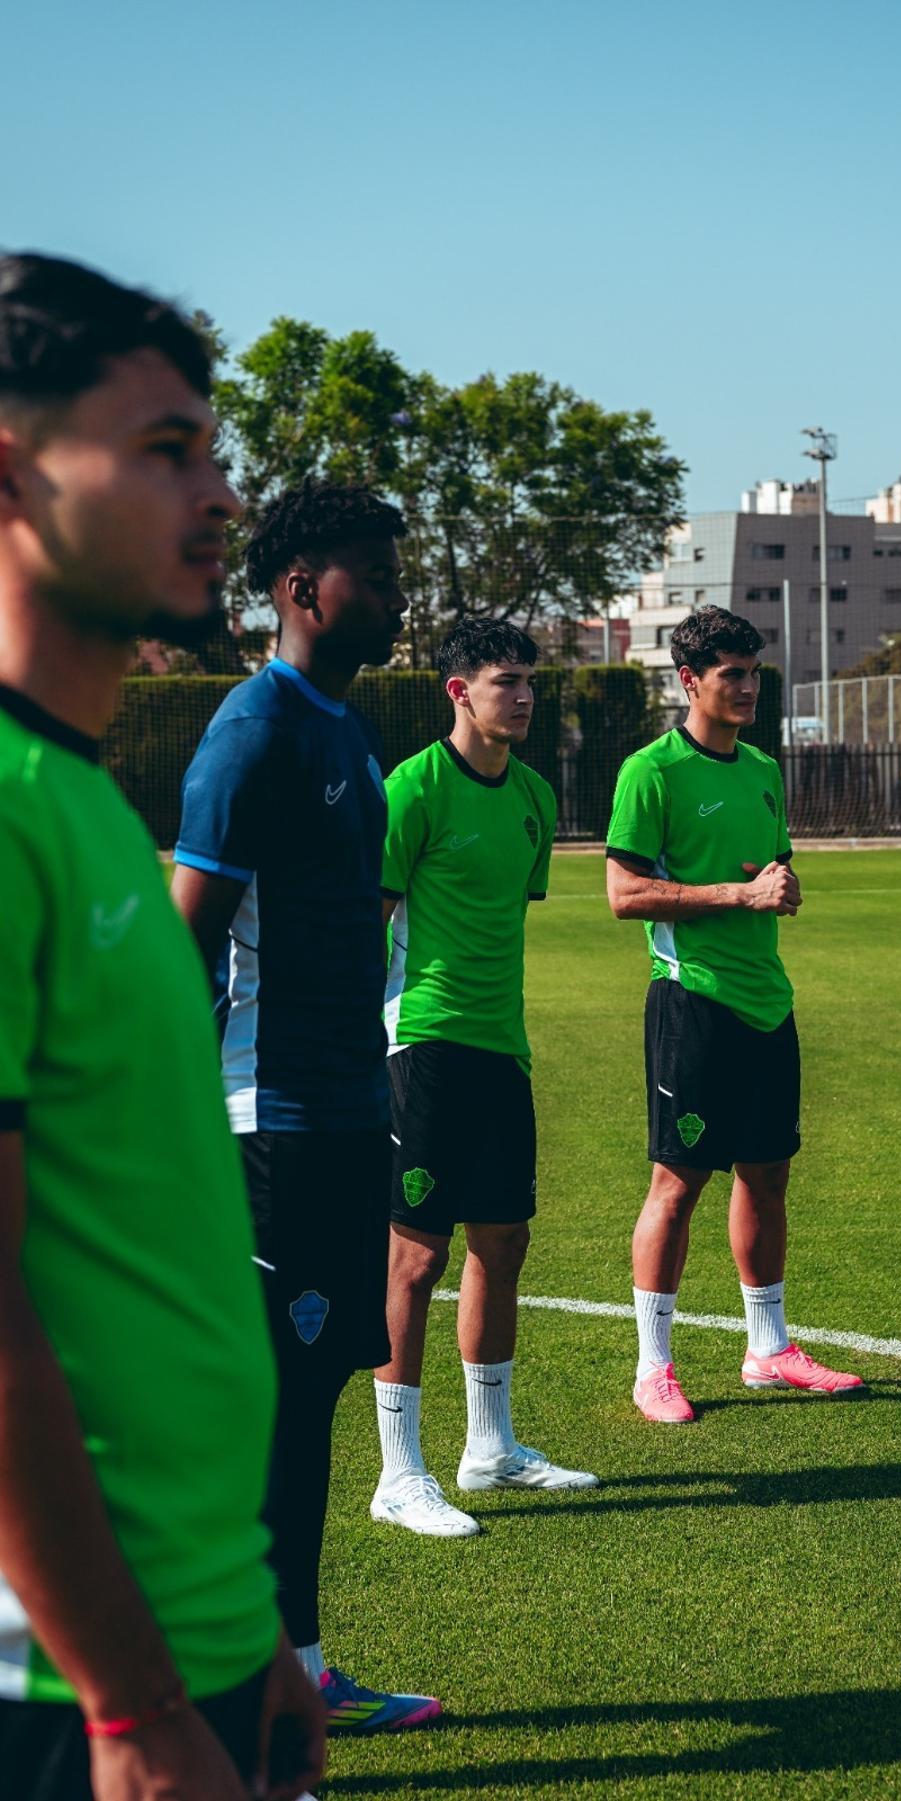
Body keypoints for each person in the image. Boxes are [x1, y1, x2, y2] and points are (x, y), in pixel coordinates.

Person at [0, 252, 323, 1800]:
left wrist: (245, 1631)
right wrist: (129, 1706)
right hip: (62, 1690)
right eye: (161, 450)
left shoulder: (74, 791)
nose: (218, 493)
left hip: (187, 1639)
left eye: (212, 447)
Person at [171, 479, 439, 1732]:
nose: (394, 591)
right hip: (261, 1126)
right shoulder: (254, 730)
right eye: (371, 572)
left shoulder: (348, 732)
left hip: (342, 1114)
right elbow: (185, 948)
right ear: (299, 589)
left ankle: (302, 1669)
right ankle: (219, 1691)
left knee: (311, 1400)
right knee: (257, 1411)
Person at [605, 605, 863, 1423]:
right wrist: (737, 893)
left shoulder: (761, 768)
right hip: (694, 1003)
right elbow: (624, 893)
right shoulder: (651, 770)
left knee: (767, 1172)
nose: (749, 687)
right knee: (676, 1184)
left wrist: (778, 884)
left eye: (754, 672)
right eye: (732, 674)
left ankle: (769, 1348)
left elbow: (770, 865)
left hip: (766, 1002)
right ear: (691, 680)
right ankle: (654, 1366)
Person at [372, 618, 597, 1538]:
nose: (527, 696)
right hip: (422, 1044)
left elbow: (508, 920)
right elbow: (369, 923)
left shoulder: (536, 795)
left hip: (503, 1049)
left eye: (532, 682)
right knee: (417, 1259)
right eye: (509, 681)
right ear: (458, 691)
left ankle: (490, 1448)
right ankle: (399, 1473)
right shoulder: (413, 787)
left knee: (502, 1244)